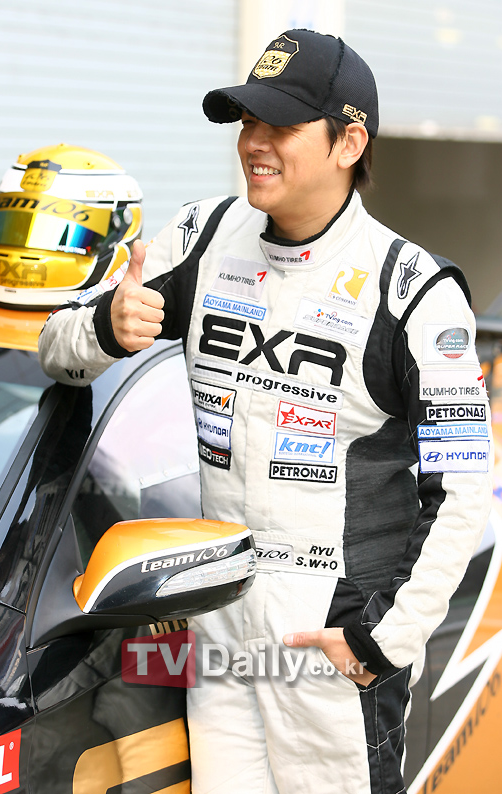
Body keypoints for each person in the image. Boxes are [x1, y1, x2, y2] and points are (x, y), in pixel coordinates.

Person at [39, 29, 492, 794]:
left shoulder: (412, 289)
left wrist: (381, 641)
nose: (254, 142)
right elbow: (55, 350)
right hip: (219, 623)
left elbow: (462, 490)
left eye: (280, 124)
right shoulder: (204, 238)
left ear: (349, 141)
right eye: (248, 121)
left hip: (332, 639)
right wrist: (107, 328)